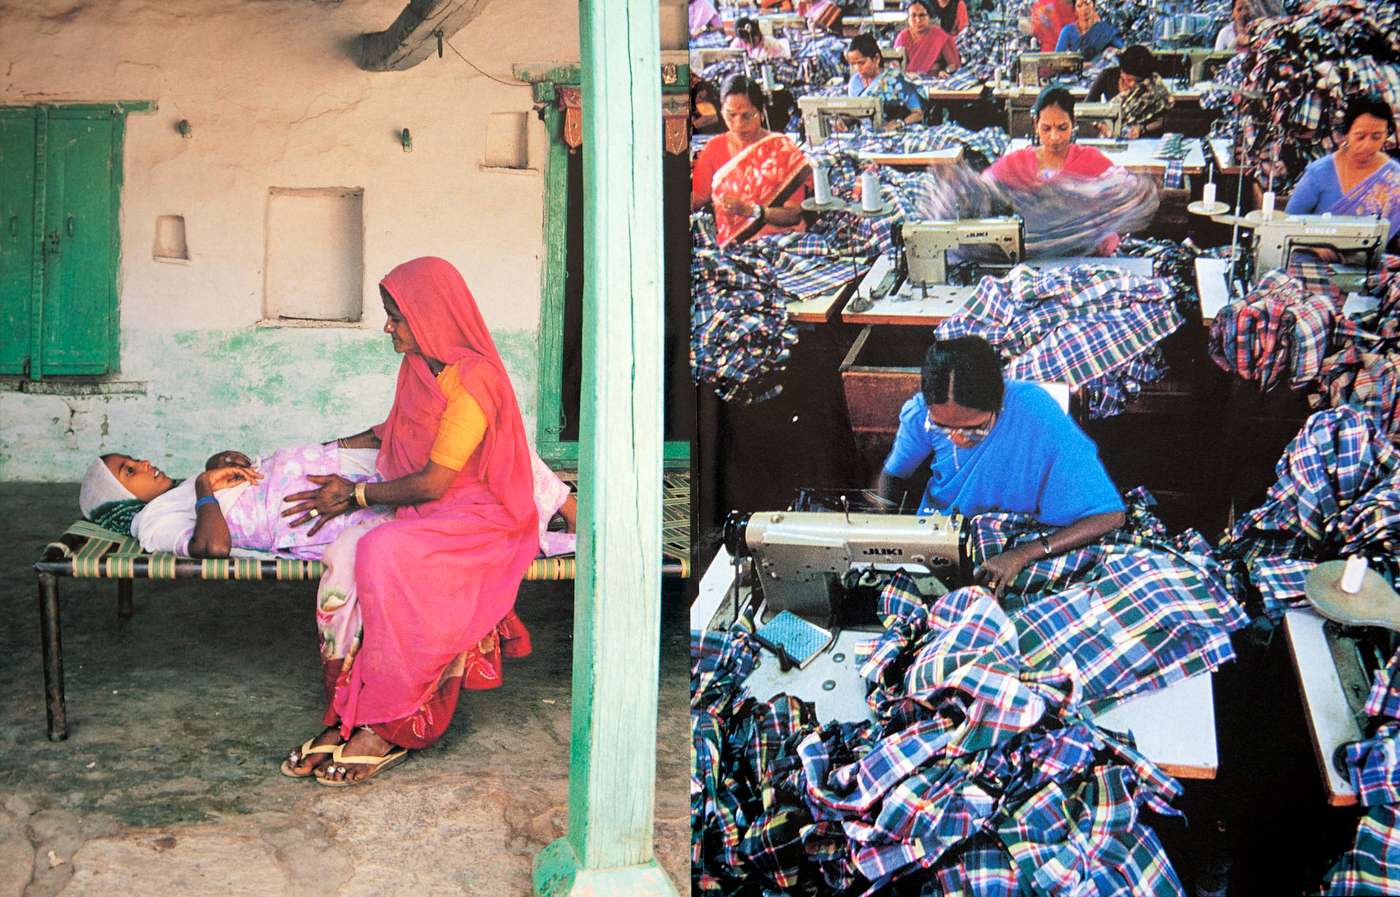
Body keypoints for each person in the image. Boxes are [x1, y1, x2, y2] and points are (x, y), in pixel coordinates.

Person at [279, 256, 546, 785]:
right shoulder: (420, 366)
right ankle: (343, 712)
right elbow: (390, 430)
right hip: (427, 510)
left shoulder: (474, 381)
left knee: (385, 554)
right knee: (343, 556)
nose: (388, 328)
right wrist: (323, 450)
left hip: (478, 516)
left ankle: (388, 723)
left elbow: (433, 483)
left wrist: (352, 494)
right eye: (388, 315)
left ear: (431, 316)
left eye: (396, 318)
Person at [874, 336, 1125, 597]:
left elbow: (1109, 516)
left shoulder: (1037, 413)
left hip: (1024, 538)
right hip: (946, 535)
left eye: (974, 428)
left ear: (999, 403)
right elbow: (893, 476)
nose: (958, 438)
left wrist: (1022, 554)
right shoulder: (920, 415)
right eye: (943, 427)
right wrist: (879, 528)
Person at [80, 445, 575, 560]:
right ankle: (560, 515)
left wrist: (223, 460)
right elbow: (212, 546)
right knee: (442, 491)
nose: (144, 465)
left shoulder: (178, 490)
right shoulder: (151, 524)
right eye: (130, 471)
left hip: (333, 479)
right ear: (122, 496)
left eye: (135, 460)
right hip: (318, 516)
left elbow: (230, 486)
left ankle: (559, 507)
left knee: (472, 445)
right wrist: (207, 488)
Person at [690, 75, 812, 247]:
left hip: (782, 241)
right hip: (733, 246)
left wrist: (750, 211)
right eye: (731, 115)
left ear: (762, 113)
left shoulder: (781, 148)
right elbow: (695, 200)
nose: (738, 123)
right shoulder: (713, 148)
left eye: (747, 115)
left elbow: (793, 215)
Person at [1286, 91, 1400, 254]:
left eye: (1376, 137)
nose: (1368, 145)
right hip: (1314, 263)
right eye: (1360, 137)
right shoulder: (1319, 172)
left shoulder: (1395, 178)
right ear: (1346, 134)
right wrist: (1313, 246)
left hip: (1366, 269)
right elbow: (1287, 224)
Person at [1086, 45, 1174, 139]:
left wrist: (1142, 128)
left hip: (1144, 141)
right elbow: (1087, 108)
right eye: (1128, 80)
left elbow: (1164, 119)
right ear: (1121, 71)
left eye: (1137, 82)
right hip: (1111, 138)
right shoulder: (1107, 76)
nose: (1132, 85)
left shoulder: (1153, 84)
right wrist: (1102, 126)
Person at [845, 33, 925, 130]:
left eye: (861, 63)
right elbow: (854, 116)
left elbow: (918, 113)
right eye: (853, 64)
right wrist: (842, 123)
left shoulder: (894, 79)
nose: (857, 68)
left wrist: (899, 124)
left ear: (876, 59)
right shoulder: (854, 82)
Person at [893, 0, 960, 78]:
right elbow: (894, 66)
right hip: (908, 82)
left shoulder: (938, 35)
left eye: (922, 15)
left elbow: (953, 64)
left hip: (934, 81)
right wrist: (906, 75)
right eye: (913, 16)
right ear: (908, 18)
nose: (918, 20)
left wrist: (945, 71)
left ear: (929, 17)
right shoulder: (903, 37)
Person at [1055, 0, 1122, 62]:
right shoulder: (1068, 31)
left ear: (1094, 5)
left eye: (1087, 3)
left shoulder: (1105, 29)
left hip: (1100, 70)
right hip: (1075, 72)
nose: (1084, 8)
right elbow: (1057, 59)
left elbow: (1123, 49)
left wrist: (1115, 51)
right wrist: (1079, 64)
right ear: (1075, 10)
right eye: (1079, 5)